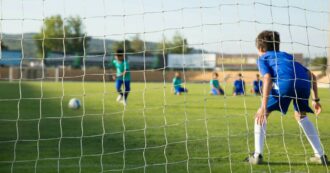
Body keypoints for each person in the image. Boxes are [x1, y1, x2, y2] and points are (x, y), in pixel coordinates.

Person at [245, 30, 328, 165]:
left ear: (260, 49)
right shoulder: (287, 56)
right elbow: (312, 76)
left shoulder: (263, 58)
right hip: (303, 84)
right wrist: (315, 100)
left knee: (261, 114)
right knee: (301, 116)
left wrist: (263, 107)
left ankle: (257, 155)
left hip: (286, 83)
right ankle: (320, 155)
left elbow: (267, 78)